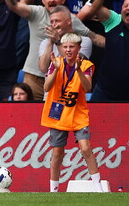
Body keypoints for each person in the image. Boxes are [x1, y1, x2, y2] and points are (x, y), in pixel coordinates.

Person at [41, 32, 103, 193]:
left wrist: (78, 71)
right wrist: (54, 70)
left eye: (72, 47)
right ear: (61, 48)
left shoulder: (86, 65)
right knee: (57, 153)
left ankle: (98, 187)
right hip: (58, 113)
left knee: (85, 148)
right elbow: (46, 87)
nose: (68, 50)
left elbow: (88, 88)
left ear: (78, 48)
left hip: (77, 112)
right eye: (65, 47)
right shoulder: (56, 63)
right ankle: (53, 191)